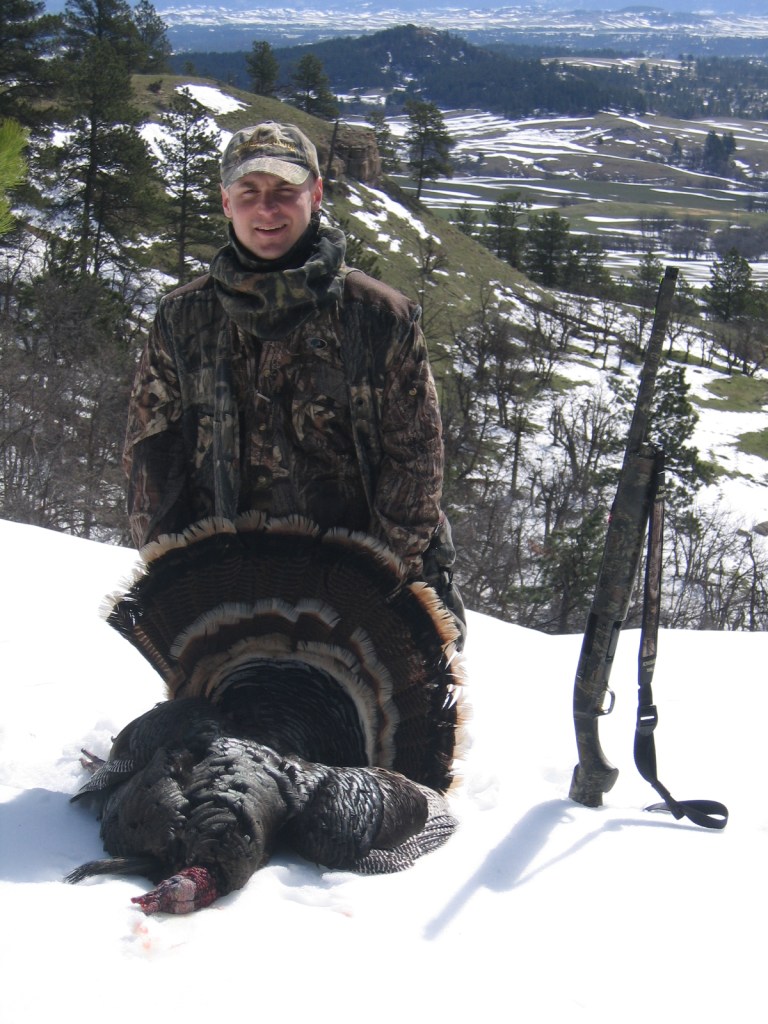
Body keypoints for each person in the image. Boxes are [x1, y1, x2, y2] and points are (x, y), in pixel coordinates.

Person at [123, 120, 465, 646]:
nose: (267, 209)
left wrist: (368, 588)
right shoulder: (182, 316)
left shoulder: (380, 317)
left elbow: (415, 465)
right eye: (249, 192)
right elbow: (152, 455)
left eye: (285, 190)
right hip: (228, 588)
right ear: (226, 202)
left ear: (316, 194)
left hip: (366, 591)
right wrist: (180, 575)